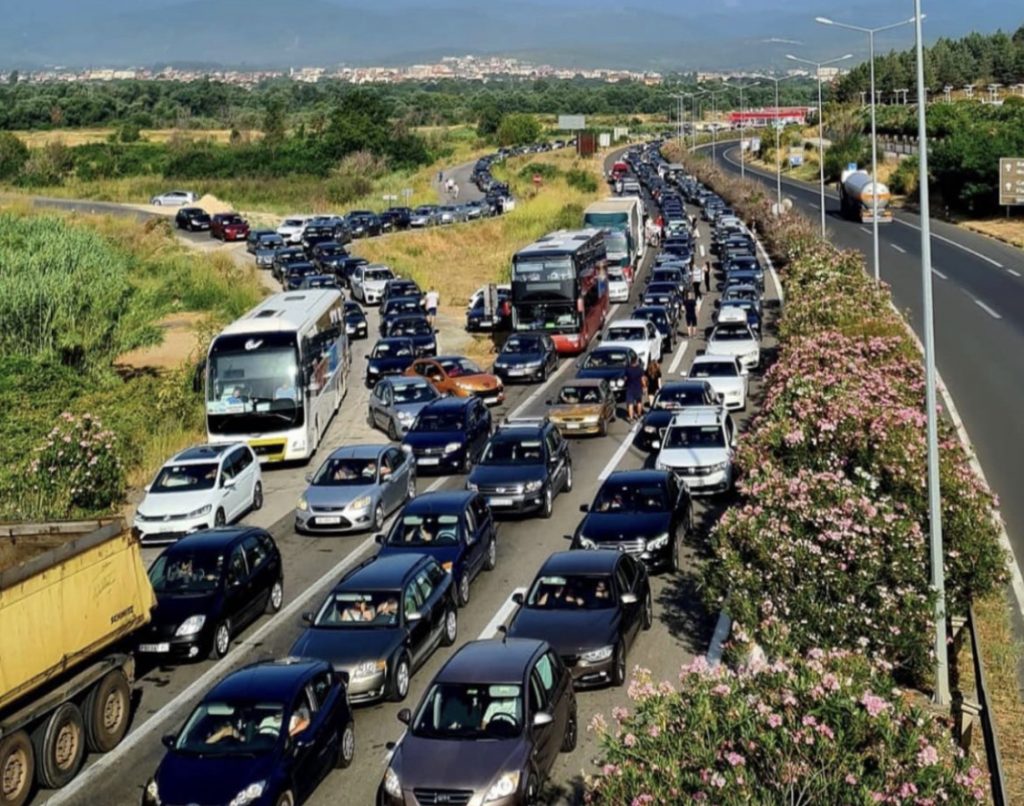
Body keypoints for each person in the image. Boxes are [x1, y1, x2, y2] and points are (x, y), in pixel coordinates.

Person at [624, 352, 646, 422]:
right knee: (639, 402)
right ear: (636, 360)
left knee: (630, 404)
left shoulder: (628, 369)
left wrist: (625, 382)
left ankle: (631, 418)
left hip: (630, 388)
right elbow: (643, 379)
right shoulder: (640, 369)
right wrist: (644, 387)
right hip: (638, 388)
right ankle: (639, 415)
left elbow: (625, 378)